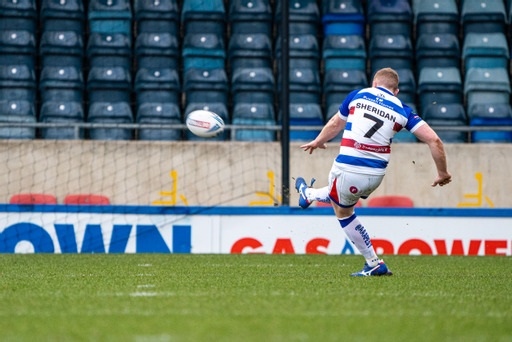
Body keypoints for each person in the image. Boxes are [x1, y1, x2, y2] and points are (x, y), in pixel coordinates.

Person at [295, 67, 452, 277]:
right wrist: (442, 173)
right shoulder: (403, 109)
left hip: (349, 167)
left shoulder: (359, 95)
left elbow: (335, 123)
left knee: (343, 211)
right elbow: (434, 140)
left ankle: (373, 263)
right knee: (340, 197)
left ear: (374, 84)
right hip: (376, 175)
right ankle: (308, 194)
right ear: (396, 91)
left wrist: (319, 140)